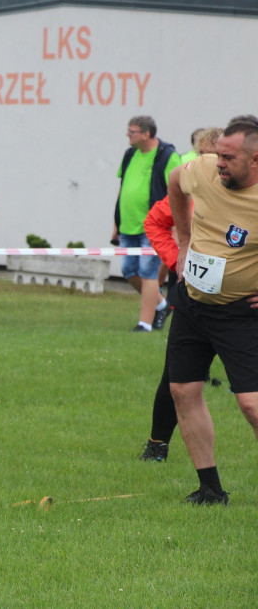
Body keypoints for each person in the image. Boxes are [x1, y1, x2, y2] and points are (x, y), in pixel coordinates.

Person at [165, 117, 258, 505]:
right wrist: (183, 238)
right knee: (183, 390)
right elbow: (174, 181)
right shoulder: (203, 170)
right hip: (192, 303)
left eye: (228, 157)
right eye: (218, 153)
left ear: (255, 160)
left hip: (241, 314)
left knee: (251, 404)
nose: (217, 162)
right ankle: (210, 489)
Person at [139, 129, 222, 461]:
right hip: (193, 292)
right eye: (200, 154)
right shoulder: (191, 186)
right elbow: (155, 223)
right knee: (176, 376)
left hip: (242, 300)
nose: (207, 162)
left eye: (215, 156)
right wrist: (178, 259)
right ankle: (157, 444)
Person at [111, 116, 181, 332]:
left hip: (153, 226)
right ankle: (161, 304)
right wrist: (116, 223)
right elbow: (123, 188)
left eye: (132, 131)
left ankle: (145, 324)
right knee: (129, 270)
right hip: (128, 226)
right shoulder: (130, 154)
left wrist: (176, 227)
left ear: (146, 134)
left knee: (148, 272)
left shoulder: (167, 156)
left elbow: (179, 191)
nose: (127, 135)